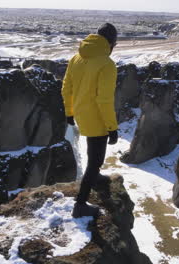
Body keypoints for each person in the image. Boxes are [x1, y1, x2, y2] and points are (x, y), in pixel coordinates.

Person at [62, 23, 119, 218]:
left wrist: (69, 113)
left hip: (80, 113)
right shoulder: (107, 64)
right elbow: (104, 99)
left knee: (92, 154)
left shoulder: (76, 57)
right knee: (95, 160)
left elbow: (66, 88)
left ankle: (94, 178)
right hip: (96, 119)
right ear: (111, 43)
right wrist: (112, 127)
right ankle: (80, 205)